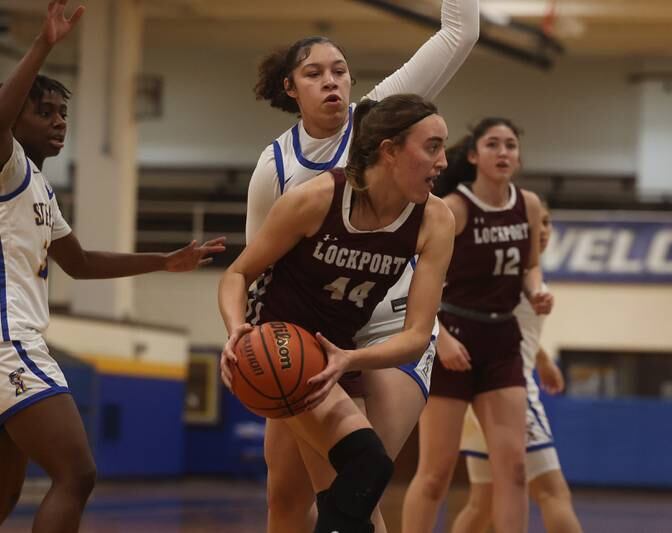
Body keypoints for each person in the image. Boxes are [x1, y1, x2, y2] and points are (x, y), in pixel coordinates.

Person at [235, 2, 478, 531]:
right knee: (285, 497)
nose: (332, 83)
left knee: (352, 487)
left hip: (389, 330)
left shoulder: (380, 121)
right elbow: (256, 276)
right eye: (314, 73)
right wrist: (250, 343)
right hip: (315, 336)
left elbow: (460, 33)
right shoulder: (275, 170)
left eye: (340, 71)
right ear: (289, 88)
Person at [0, 2, 225, 532]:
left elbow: (78, 263)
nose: (59, 122)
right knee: (77, 473)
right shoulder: (7, 164)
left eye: (63, 114)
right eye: (46, 111)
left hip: (12, 339)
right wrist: (44, 45)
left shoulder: (39, 187)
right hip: (9, 339)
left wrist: (164, 262)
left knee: (5, 489)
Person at [402, 117, 546, 533]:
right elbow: (413, 276)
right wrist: (439, 337)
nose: (503, 152)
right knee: (435, 475)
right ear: (473, 155)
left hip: (502, 340)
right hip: (454, 337)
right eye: (493, 144)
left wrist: (535, 291)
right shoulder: (454, 208)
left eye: (511, 145)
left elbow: (530, 265)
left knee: (515, 469)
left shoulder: (529, 206)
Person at [452, 202, 583, 533]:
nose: (542, 230)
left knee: (481, 504)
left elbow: (507, 325)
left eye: (547, 223)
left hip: (480, 394)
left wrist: (543, 360)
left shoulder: (514, 272)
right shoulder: (506, 272)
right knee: (554, 494)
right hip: (509, 392)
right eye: (535, 223)